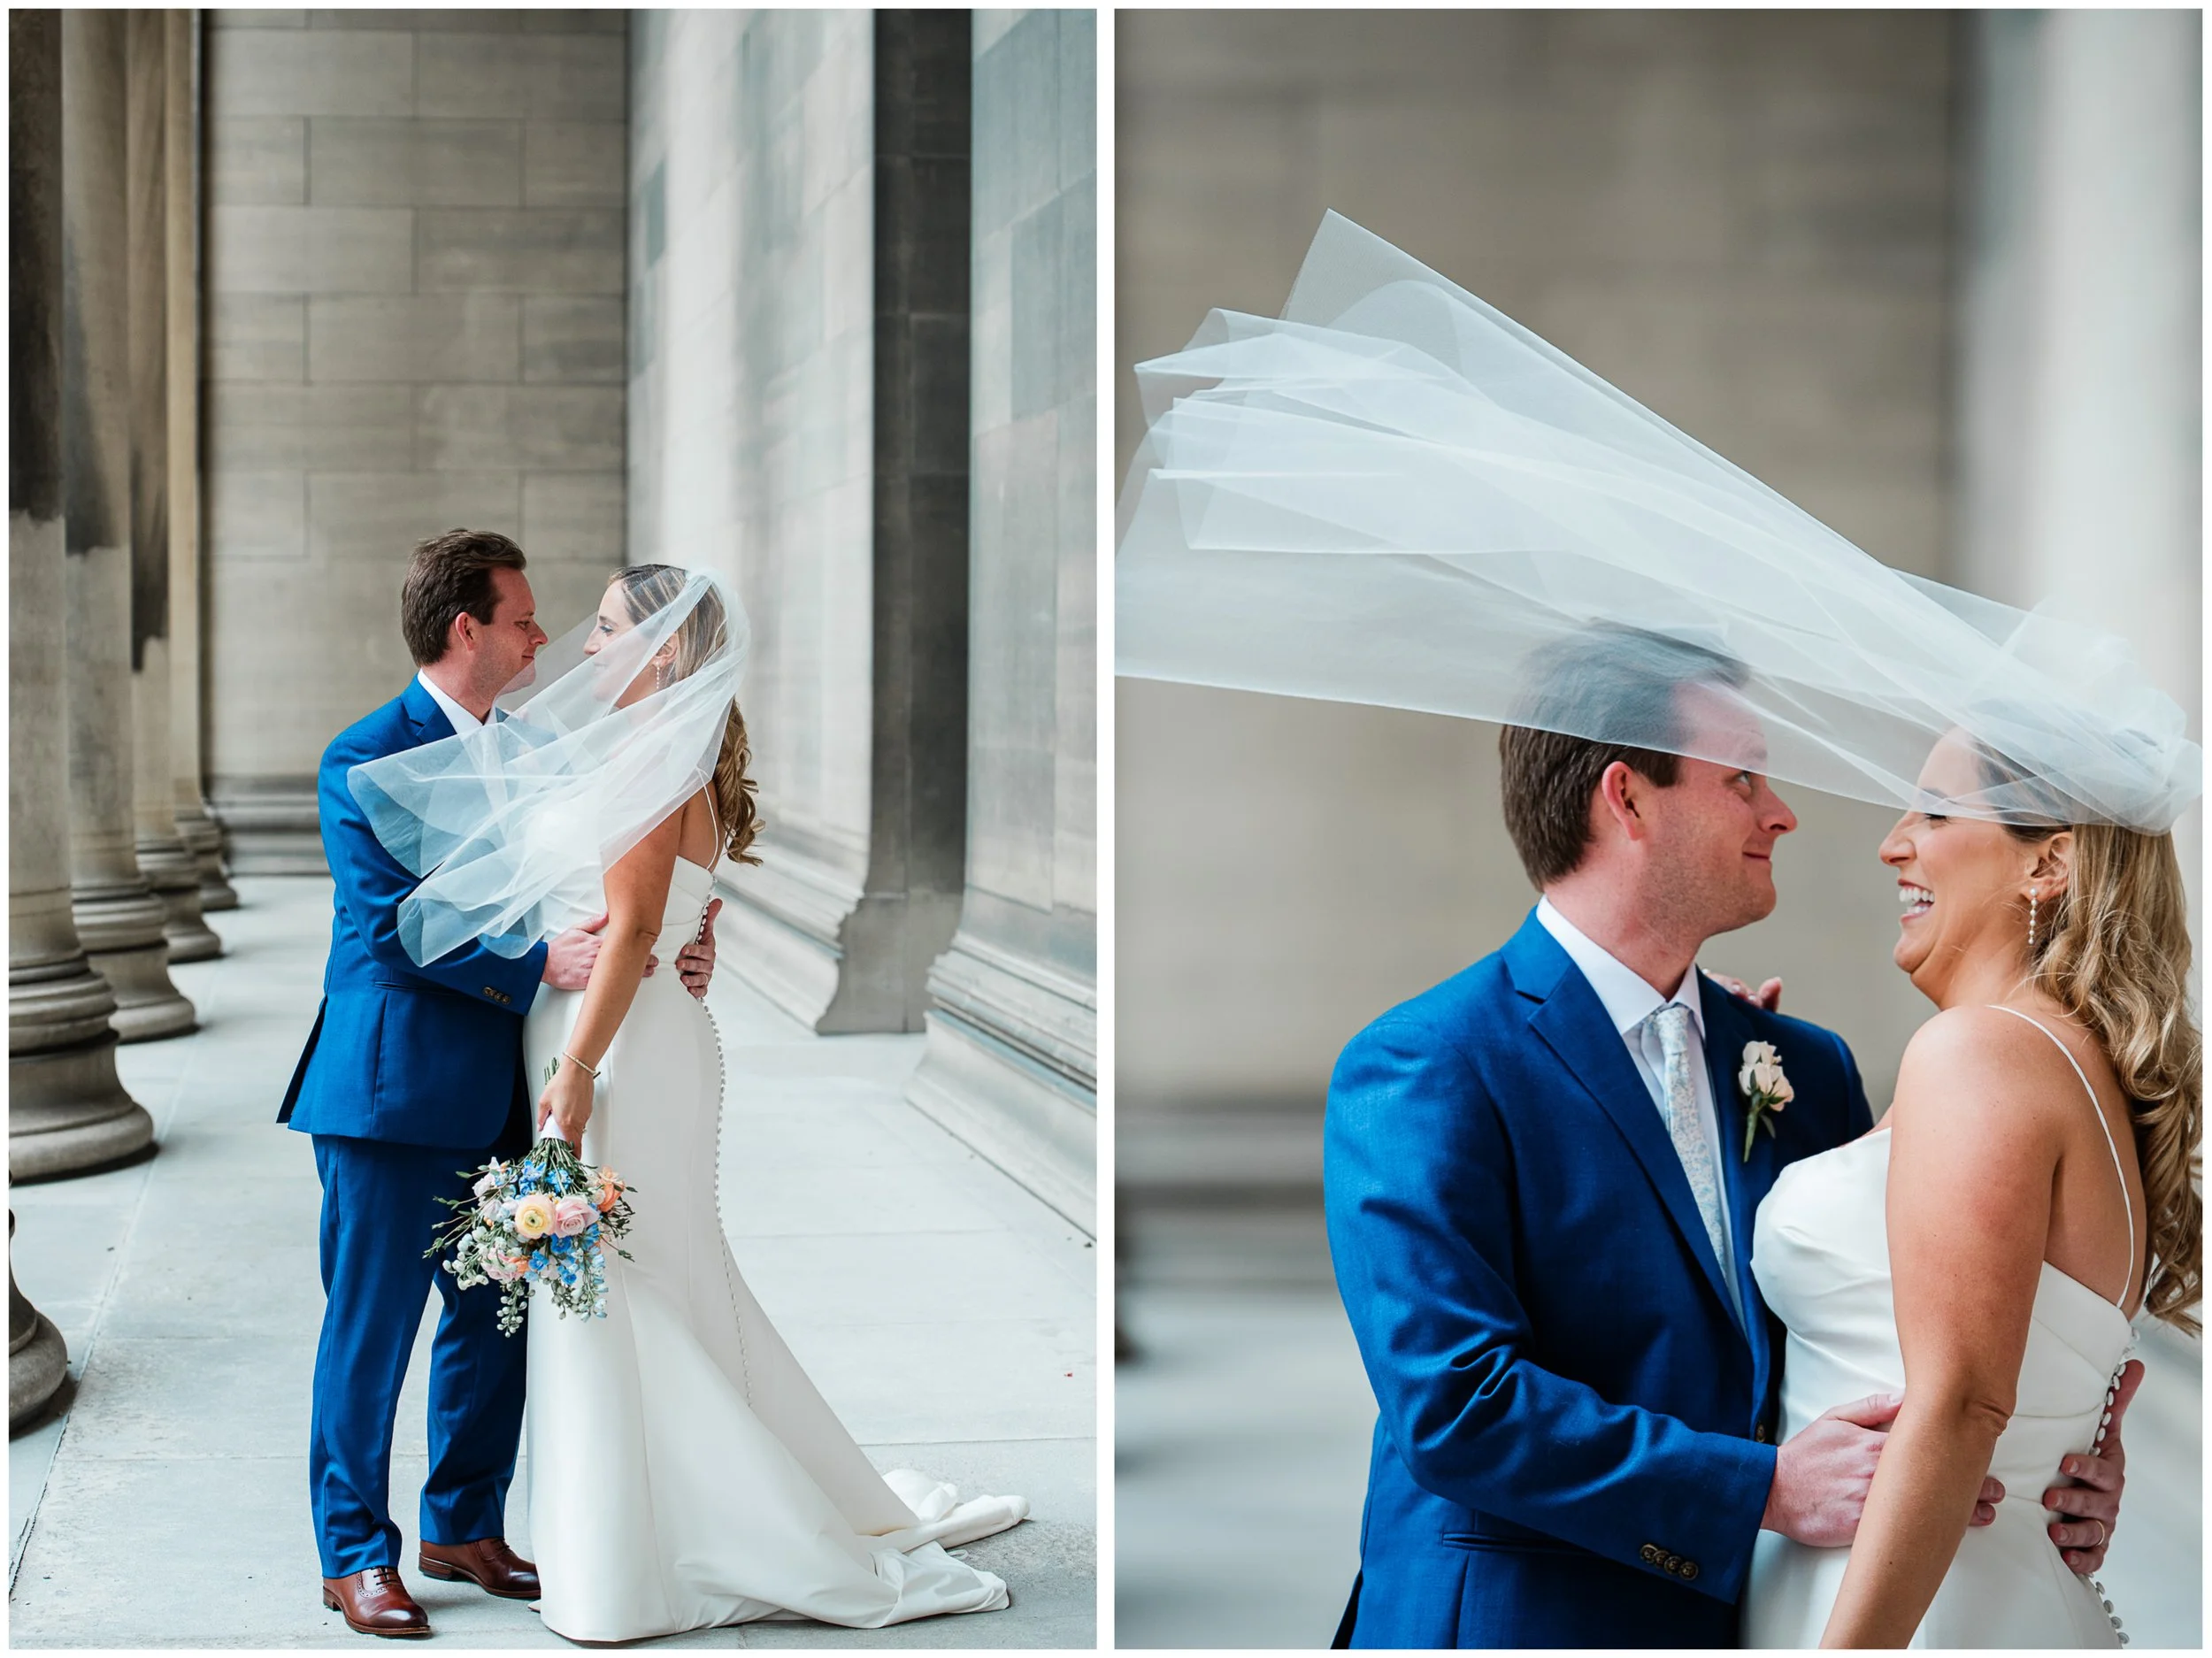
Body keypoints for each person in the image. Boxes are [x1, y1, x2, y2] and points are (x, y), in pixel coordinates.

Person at [1320, 634, 2140, 1648]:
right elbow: (1454, 1405)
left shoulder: (1805, 1068)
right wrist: (1765, 1487)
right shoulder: (1427, 1061)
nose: (1783, 812)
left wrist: (2053, 1455)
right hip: (1524, 1618)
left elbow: (1884, 1332)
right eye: (1742, 776)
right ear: (1626, 799)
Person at [355, 563, 1028, 1642]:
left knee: (614, 1283)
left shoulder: (643, 757)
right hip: (629, 1031)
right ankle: (637, 1530)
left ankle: (653, 1546)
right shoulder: (665, 754)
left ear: (661, 652)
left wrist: (574, 1073)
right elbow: (650, 911)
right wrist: (675, 945)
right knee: (633, 1279)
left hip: (612, 1048)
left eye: (608, 628)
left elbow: (628, 930)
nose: (582, 646)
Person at [280, 530, 718, 1639]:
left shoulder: (534, 746)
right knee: (371, 1332)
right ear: (466, 626)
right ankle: (353, 1555)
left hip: (514, 1086)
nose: (541, 636)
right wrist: (537, 966)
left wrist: (683, 938)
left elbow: (618, 867)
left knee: (495, 1320)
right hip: (391, 1090)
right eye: (523, 617)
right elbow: (386, 931)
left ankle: (463, 1525)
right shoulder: (361, 755)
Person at [1742, 732, 2200, 1646]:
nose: (1892, 843)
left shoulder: (1976, 1054)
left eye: (1936, 812)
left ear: (2048, 863)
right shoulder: (2072, 1068)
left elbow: (1959, 1405)